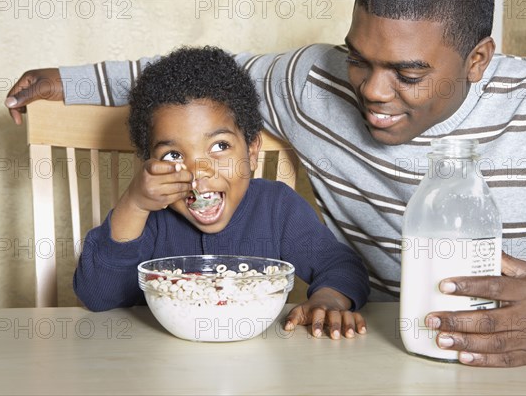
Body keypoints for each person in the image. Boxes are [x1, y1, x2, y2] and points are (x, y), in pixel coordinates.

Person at [5, 0, 526, 367]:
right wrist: (62, 80)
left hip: (503, 355)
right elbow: (193, 85)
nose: (371, 91)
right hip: (364, 351)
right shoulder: (313, 82)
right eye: (358, 58)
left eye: (409, 73)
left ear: (478, 60)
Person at [72, 45, 370, 340]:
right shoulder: (150, 220)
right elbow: (99, 296)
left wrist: (329, 300)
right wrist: (134, 205)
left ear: (252, 151)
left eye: (220, 147)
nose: (198, 170)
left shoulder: (277, 209)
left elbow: (340, 265)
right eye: (173, 155)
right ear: (149, 165)